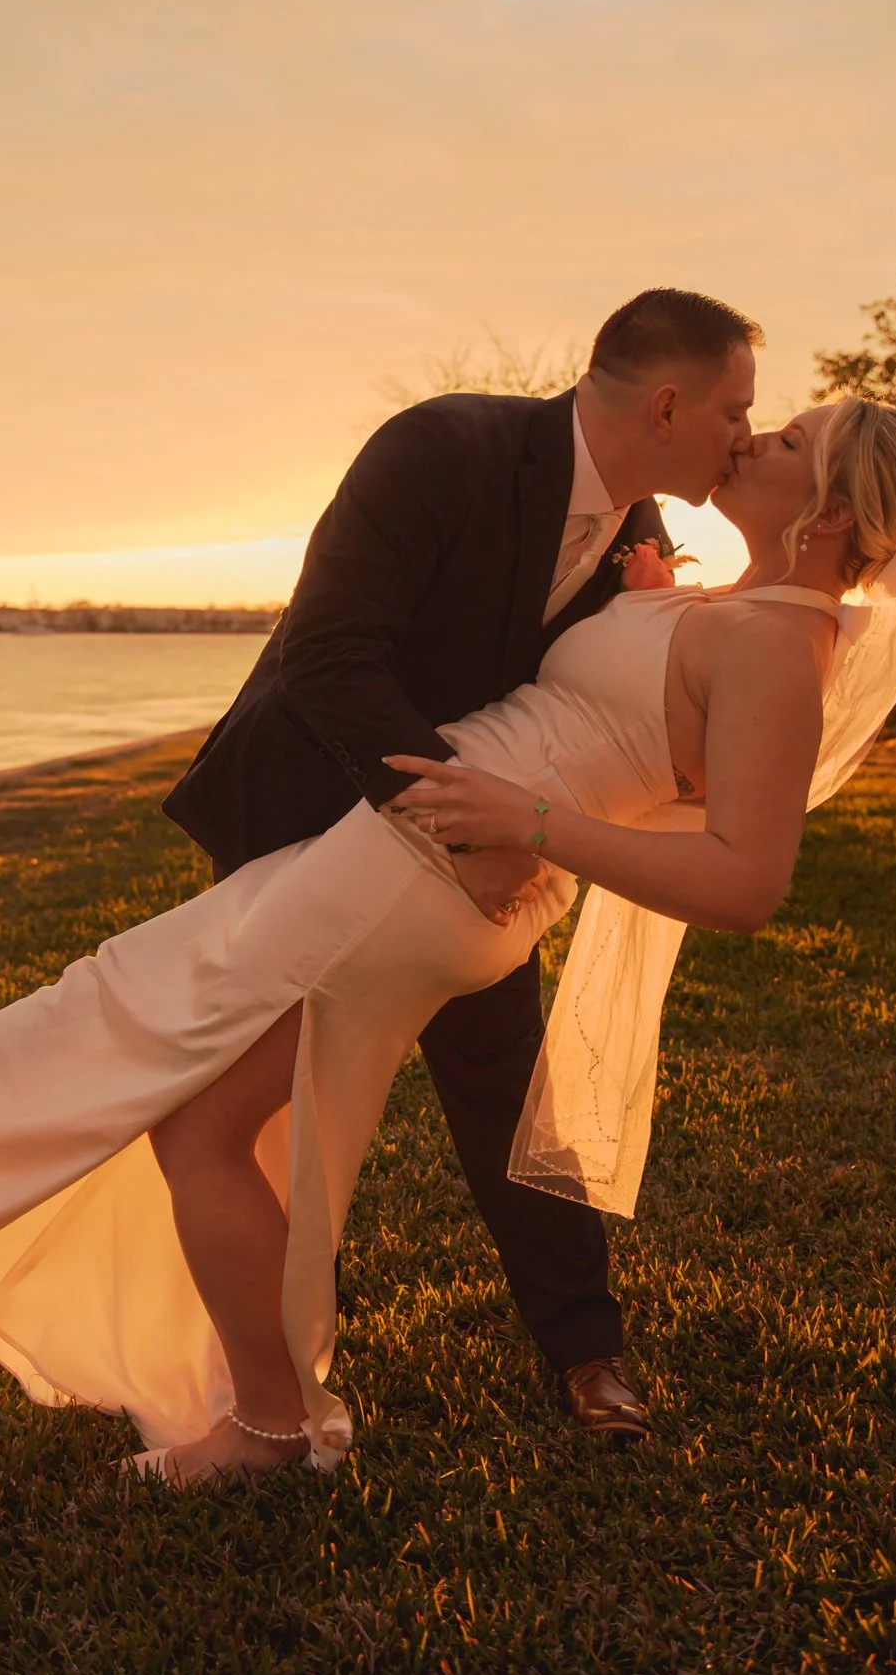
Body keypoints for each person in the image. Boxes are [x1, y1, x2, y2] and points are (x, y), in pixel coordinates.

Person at [0, 393, 896, 1489]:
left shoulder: (781, 653)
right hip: (414, 850)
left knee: (146, 1015)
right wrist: (632, 624)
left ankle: (245, 1406)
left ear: (834, 509)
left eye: (789, 435)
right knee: (192, 1069)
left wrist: (535, 821)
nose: (755, 435)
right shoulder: (714, 600)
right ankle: (260, 1407)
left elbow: (744, 882)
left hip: (427, 866)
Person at [164, 287, 761, 1440]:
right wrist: (467, 829)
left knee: (505, 1085)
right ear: (670, 402)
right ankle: (264, 1365)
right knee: (256, 1094)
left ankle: (588, 1354)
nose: (745, 431)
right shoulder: (440, 447)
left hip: (476, 857)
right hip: (307, 810)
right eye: (738, 408)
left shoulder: (640, 533)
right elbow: (329, 659)